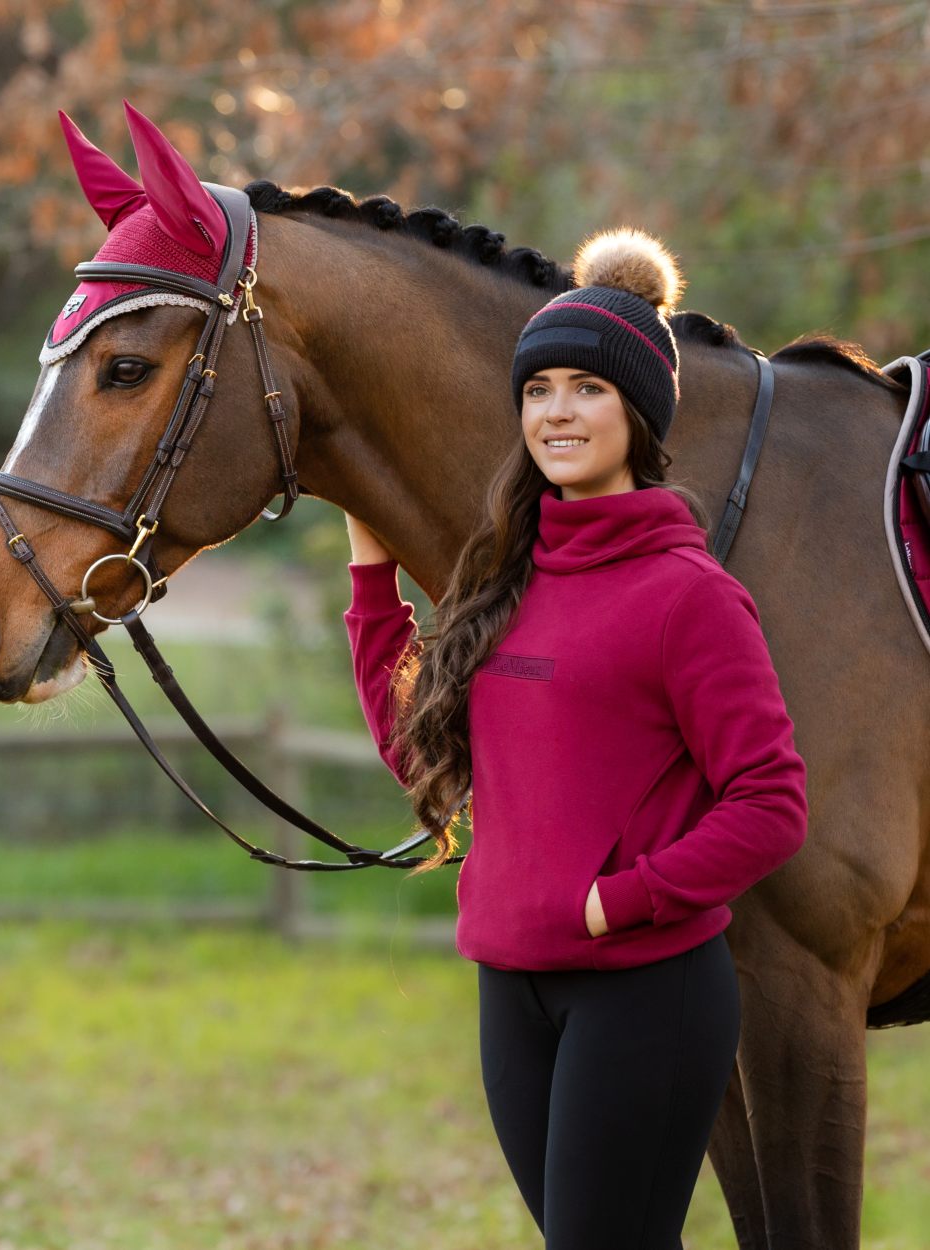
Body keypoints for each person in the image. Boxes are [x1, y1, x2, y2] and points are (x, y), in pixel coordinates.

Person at [341, 226, 809, 1249]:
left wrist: (622, 898)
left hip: (644, 991)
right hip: (511, 987)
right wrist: (371, 583)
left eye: (587, 388)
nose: (558, 409)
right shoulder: (507, 576)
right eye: (539, 387)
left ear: (638, 411)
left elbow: (771, 802)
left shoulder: (690, 596)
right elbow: (426, 760)